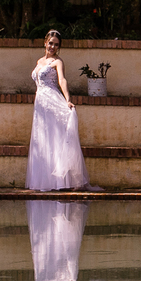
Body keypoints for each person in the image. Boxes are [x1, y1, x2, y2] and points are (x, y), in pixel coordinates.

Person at [27, 29, 91, 191]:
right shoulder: (39, 61)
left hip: (52, 100)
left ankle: (65, 181)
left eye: (56, 45)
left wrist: (68, 99)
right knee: (43, 140)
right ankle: (45, 181)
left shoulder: (58, 62)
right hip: (40, 104)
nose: (53, 47)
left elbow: (62, 80)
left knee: (55, 138)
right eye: (50, 43)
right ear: (45, 43)